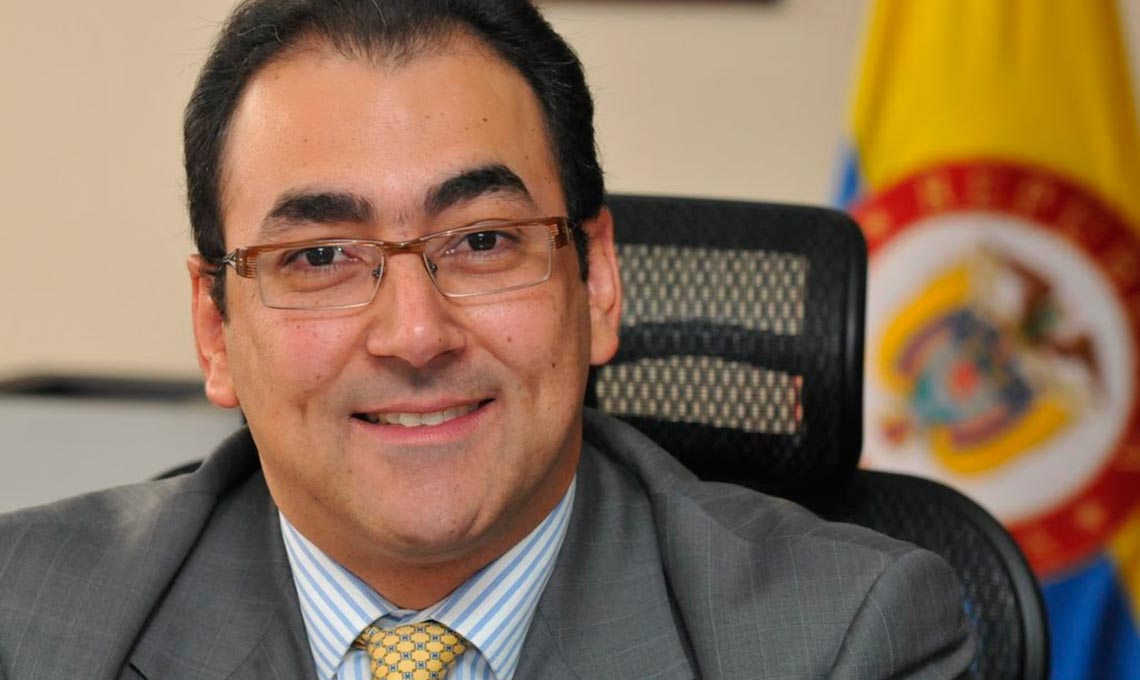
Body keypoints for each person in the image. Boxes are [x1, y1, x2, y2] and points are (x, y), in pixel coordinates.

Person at [0, 1, 975, 678]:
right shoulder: (26, 622)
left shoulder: (842, 640)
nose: (415, 333)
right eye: (321, 256)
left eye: (481, 241)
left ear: (597, 282)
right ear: (215, 328)